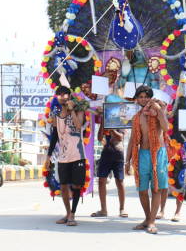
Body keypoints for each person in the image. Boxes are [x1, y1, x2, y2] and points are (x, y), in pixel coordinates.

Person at [125, 85, 169, 234]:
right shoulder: (136, 117)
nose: (143, 99)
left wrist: (159, 112)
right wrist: (127, 160)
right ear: (137, 99)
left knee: (156, 188)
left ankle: (151, 221)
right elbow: (132, 140)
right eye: (141, 97)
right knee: (142, 190)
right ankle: (147, 218)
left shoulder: (158, 111)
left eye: (146, 96)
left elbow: (166, 128)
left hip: (158, 153)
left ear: (150, 98)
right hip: (142, 154)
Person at [44, 86, 87, 226]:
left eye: (65, 94)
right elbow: (55, 136)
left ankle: (73, 215)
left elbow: (78, 126)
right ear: (57, 97)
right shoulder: (56, 114)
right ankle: (68, 214)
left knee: (76, 185)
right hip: (62, 157)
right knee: (63, 186)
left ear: (69, 96)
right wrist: (48, 156)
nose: (62, 97)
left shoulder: (79, 110)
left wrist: (72, 110)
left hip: (77, 155)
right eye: (59, 95)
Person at [91, 123, 128, 218]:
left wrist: (111, 129)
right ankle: (103, 210)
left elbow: (120, 137)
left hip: (118, 153)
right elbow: (99, 138)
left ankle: (122, 209)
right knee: (101, 181)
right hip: (106, 153)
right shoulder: (105, 121)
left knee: (119, 181)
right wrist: (103, 125)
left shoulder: (121, 122)